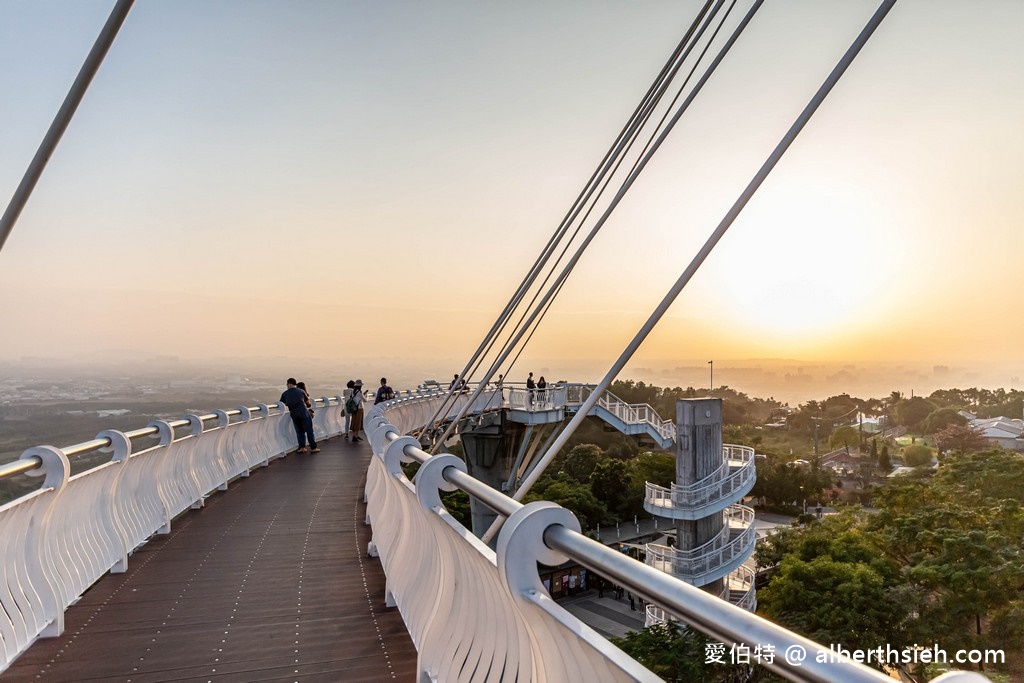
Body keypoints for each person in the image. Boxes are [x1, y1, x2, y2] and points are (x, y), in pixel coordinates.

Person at [281, 378, 318, 453]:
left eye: (287, 384)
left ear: (289, 384)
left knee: (299, 431)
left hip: (294, 414)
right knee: (309, 430)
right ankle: (313, 448)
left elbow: (282, 404)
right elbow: (308, 404)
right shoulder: (301, 391)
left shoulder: (285, 394)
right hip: (304, 412)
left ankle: (302, 448)